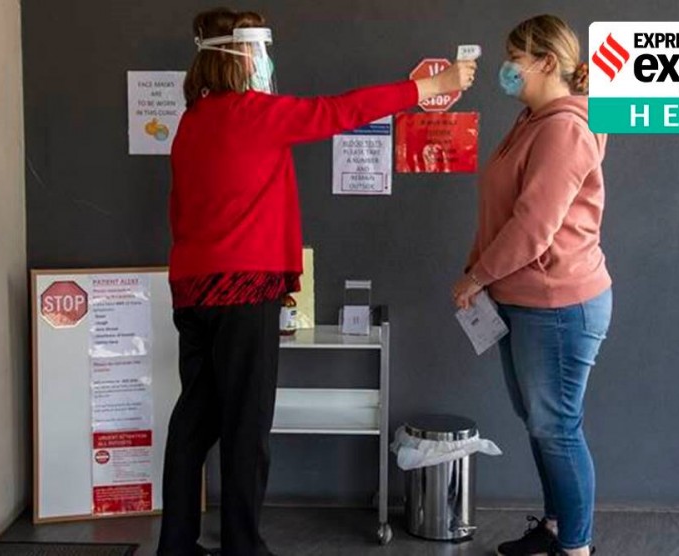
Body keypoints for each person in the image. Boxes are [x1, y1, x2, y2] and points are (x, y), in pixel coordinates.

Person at [159, 8, 477, 556]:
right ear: (242, 58)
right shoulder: (253, 113)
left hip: (193, 290)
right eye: (259, 55)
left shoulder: (193, 119)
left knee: (195, 420)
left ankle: (176, 545)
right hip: (244, 292)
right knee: (246, 427)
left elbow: (179, 209)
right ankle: (242, 547)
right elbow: (342, 110)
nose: (265, 65)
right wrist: (431, 85)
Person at [451, 14, 611, 556]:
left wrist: (477, 275)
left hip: (559, 304)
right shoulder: (532, 120)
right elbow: (502, 212)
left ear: (546, 62)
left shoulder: (564, 128)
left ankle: (576, 546)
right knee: (541, 424)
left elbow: (533, 227)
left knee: (557, 427)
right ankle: (555, 530)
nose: (507, 68)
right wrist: (478, 273)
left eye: (515, 58)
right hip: (521, 298)